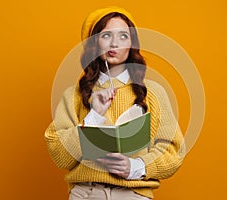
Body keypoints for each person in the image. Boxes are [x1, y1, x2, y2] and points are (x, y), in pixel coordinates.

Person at [45, 6, 185, 200]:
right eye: (106, 35)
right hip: (86, 193)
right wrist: (94, 116)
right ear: (94, 43)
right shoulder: (74, 95)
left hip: (133, 194)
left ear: (132, 44)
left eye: (123, 36)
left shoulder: (153, 93)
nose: (114, 43)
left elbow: (173, 151)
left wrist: (135, 167)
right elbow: (60, 155)